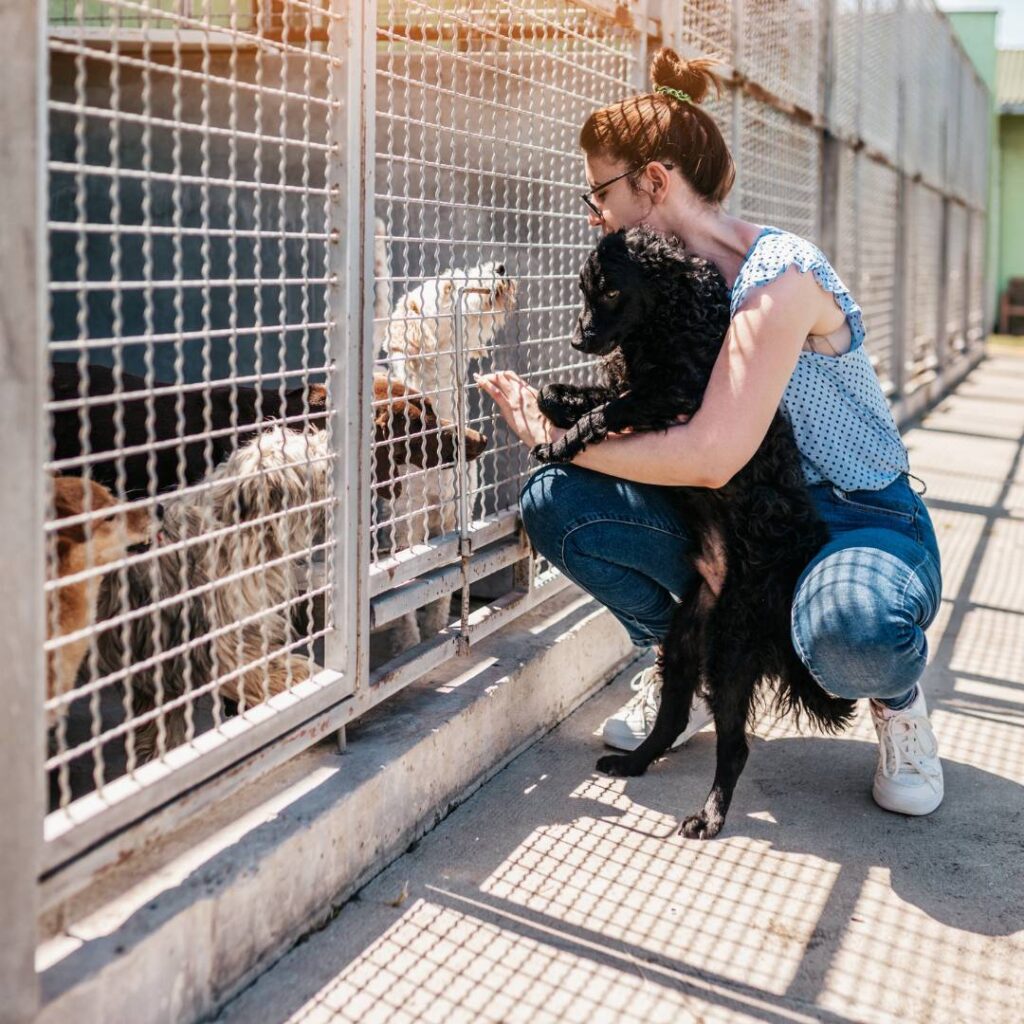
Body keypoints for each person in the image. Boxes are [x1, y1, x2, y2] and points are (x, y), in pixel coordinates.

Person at [475, 49, 944, 816]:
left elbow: (713, 450)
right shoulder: (666, 287)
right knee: (558, 500)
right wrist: (561, 445)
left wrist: (548, 432)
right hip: (741, 524)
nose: (596, 216)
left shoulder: (779, 275)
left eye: (600, 191)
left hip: (857, 523)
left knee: (852, 627)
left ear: (655, 182)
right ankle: (685, 672)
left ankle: (897, 702)